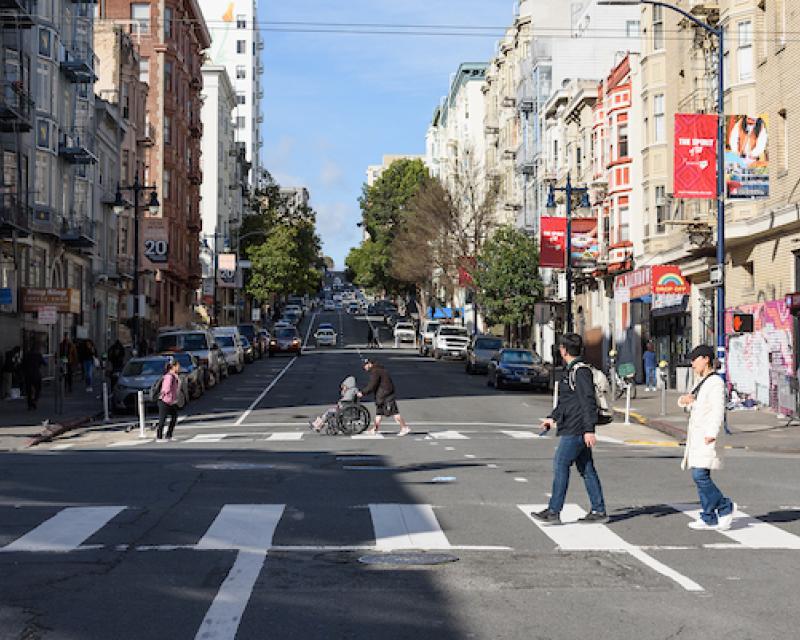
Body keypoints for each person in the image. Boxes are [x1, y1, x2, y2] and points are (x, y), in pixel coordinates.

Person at [532, 333, 607, 525]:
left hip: (577, 428)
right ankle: (599, 510)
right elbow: (567, 402)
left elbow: (587, 401)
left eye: (560, 347)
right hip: (574, 425)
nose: (559, 350)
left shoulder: (580, 371)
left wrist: (589, 429)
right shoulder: (572, 370)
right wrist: (552, 418)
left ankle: (554, 511)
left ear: (564, 350)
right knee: (587, 469)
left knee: (561, 464)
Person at [678, 345, 736, 531]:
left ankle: (725, 506)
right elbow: (695, 404)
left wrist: (712, 433)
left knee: (700, 475)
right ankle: (708, 516)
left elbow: (718, 411)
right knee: (700, 473)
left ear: (706, 359)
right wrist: (686, 402)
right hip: (697, 435)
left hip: (706, 436)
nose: (692, 364)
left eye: (695, 359)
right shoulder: (701, 381)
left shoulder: (715, 383)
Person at [358, 358, 410, 436]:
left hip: (386, 394)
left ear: (369, 364)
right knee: (379, 413)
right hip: (382, 395)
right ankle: (375, 429)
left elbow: (372, 385)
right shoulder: (378, 370)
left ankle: (404, 427)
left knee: (394, 412)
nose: (364, 367)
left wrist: (363, 392)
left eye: (365, 365)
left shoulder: (376, 371)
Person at [156, 359, 181, 442]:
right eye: (178, 366)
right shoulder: (169, 376)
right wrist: (166, 395)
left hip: (170, 401)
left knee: (174, 416)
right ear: (173, 367)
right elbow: (166, 388)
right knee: (162, 419)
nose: (179, 367)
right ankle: (159, 437)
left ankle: (169, 435)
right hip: (164, 401)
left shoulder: (174, 376)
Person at [21, 342, 45, 410]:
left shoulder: (26, 355)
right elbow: (44, 363)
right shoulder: (38, 355)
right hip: (36, 374)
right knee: (38, 389)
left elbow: (22, 365)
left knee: (28, 391)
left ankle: (29, 405)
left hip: (28, 375)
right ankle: (35, 400)